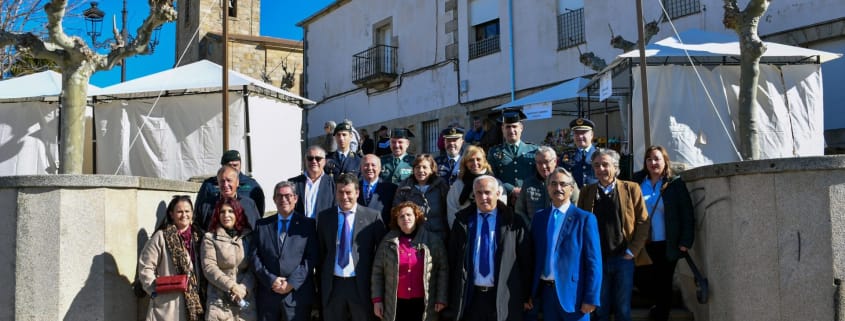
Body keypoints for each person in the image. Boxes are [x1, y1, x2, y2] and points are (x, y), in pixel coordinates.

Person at [576, 148, 650, 321]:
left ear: (615, 167)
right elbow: (580, 224)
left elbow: (643, 222)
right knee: (600, 309)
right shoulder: (587, 192)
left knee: (623, 309)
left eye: (605, 165)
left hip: (623, 258)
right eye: (596, 165)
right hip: (597, 260)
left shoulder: (631, 189)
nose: (600, 169)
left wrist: (632, 251)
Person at [447, 175, 532, 321]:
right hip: (471, 297)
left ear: (498, 194)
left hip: (503, 297)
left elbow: (526, 261)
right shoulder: (462, 221)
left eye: (487, 192)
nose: (483, 197)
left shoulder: (513, 222)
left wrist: (526, 295)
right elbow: (452, 260)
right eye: (479, 193)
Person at [631, 146, 695, 321]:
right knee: (641, 279)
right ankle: (658, 305)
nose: (653, 163)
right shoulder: (637, 181)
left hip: (668, 242)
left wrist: (685, 241)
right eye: (649, 159)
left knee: (665, 282)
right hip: (644, 243)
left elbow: (687, 213)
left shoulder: (674, 183)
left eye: (657, 159)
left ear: (665, 161)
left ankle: (661, 314)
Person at [528, 168, 601, 321]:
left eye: (563, 184)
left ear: (571, 188)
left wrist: (591, 297)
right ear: (548, 188)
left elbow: (594, 262)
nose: (558, 188)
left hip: (574, 296)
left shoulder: (584, 219)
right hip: (546, 293)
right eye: (553, 184)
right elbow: (533, 256)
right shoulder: (539, 217)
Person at [317, 173, 387, 321]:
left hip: (361, 284)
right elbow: (321, 254)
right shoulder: (324, 217)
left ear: (357, 193)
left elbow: (381, 256)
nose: (344, 197)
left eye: (348, 192)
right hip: (333, 285)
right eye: (340, 192)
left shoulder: (372, 217)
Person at [252, 181, 319, 321]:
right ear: (274, 199)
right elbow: (254, 256)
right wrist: (271, 280)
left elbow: (311, 258)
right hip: (268, 295)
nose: (283, 199)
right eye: (279, 196)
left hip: (296, 296)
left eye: (288, 196)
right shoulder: (262, 225)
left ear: (295, 198)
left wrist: (291, 283)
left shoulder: (308, 225)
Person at [371, 202, 449, 321]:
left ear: (416, 217)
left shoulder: (433, 241)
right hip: (395, 304)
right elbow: (377, 272)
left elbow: (443, 271)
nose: (405, 218)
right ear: (396, 221)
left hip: (424, 303)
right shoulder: (388, 242)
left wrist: (441, 298)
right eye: (401, 216)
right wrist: (377, 300)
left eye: (409, 215)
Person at [138, 195, 204, 321]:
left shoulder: (200, 237)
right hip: (168, 304)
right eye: (179, 211)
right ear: (171, 214)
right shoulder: (161, 237)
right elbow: (145, 267)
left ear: (192, 213)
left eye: (187, 211)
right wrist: (155, 293)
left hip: (196, 303)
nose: (184, 215)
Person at [202, 197, 257, 321]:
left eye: (230, 211)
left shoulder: (249, 237)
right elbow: (209, 267)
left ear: (238, 213)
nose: (226, 215)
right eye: (222, 212)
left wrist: (243, 288)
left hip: (245, 301)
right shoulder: (210, 238)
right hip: (219, 302)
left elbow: (254, 266)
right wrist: (232, 286)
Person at [515, 146, 579, 225]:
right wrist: (530, 227)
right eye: (539, 163)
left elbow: (576, 206)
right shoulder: (528, 183)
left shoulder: (567, 181)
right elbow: (519, 210)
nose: (543, 166)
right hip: (534, 233)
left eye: (546, 162)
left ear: (555, 161)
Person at [394, 154, 450, 241]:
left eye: (424, 167)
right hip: (413, 237)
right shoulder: (404, 187)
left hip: (438, 236)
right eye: (417, 167)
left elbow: (447, 211)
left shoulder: (441, 186)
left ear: (432, 169)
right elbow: (397, 211)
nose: (420, 170)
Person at [446, 145, 507, 226]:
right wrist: (459, 230)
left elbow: (501, 208)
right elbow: (451, 210)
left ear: (484, 161)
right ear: (465, 163)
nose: (475, 163)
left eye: (478, 159)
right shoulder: (458, 185)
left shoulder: (496, 183)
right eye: (470, 160)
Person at [487, 109, 538, 201]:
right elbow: (492, 177)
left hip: (529, 199)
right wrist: (512, 189)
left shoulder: (534, 150)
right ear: (502, 128)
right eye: (508, 127)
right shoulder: (494, 152)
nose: (511, 130)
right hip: (504, 199)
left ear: (521, 128)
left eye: (514, 126)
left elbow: (539, 175)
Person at [196, 150, 266, 215]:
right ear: (222, 166)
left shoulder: (251, 184)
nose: (233, 168)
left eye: (235, 165)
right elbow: (200, 209)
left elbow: (258, 211)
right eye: (229, 165)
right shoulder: (209, 184)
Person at [196, 165, 262, 230]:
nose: (225, 185)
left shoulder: (249, 204)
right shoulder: (206, 205)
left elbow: (258, 229)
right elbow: (198, 230)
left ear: (237, 182)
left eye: (229, 180)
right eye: (222, 181)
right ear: (218, 183)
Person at [290, 146, 336, 220]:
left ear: (324, 162)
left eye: (318, 158)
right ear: (305, 161)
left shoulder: (333, 184)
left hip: (323, 229)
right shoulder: (293, 183)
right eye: (310, 158)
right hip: (299, 229)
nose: (314, 161)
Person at [358, 154, 398, 224]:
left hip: (382, 232)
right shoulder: (354, 187)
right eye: (366, 165)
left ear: (380, 168)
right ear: (361, 168)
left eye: (373, 165)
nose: (370, 168)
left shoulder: (391, 189)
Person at [561, 118, 598, 188]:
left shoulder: (601, 155)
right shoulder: (566, 156)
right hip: (574, 196)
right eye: (576, 133)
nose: (580, 136)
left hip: (595, 196)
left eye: (583, 132)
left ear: (592, 135)